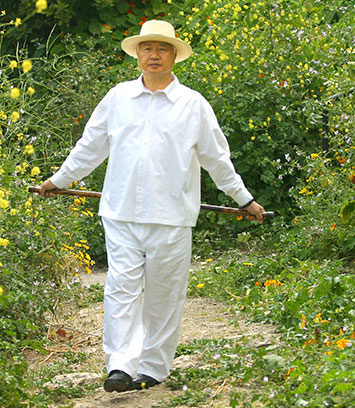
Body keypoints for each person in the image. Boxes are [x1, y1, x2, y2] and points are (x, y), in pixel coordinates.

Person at [35, 19, 266, 392]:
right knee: (120, 290)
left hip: (172, 217)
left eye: (161, 48)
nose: (153, 55)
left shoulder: (193, 105)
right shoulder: (117, 98)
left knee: (163, 294)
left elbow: (217, 160)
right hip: (120, 212)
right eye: (147, 48)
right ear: (137, 54)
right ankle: (120, 367)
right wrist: (57, 181)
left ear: (174, 55)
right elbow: (89, 147)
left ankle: (154, 368)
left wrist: (245, 199)